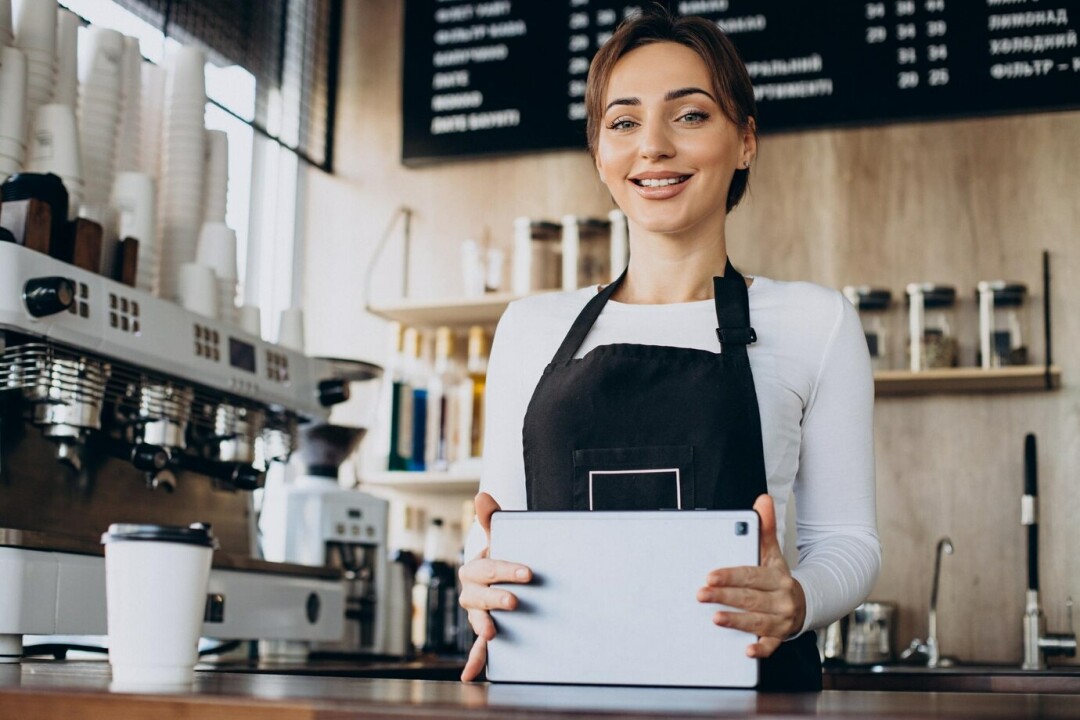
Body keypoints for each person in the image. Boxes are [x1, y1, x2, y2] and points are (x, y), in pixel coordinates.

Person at [458, 6, 880, 692]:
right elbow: (492, 535)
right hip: (549, 697)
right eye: (623, 122)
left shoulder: (816, 322)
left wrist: (795, 602)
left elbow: (848, 543)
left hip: (754, 700)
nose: (652, 146)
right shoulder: (529, 327)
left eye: (689, 115)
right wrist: (474, 577)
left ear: (745, 141)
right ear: (600, 153)